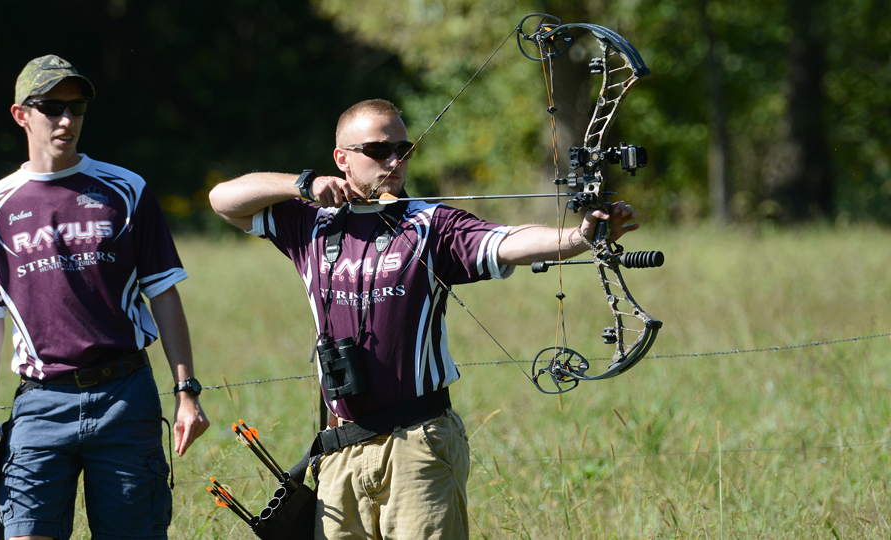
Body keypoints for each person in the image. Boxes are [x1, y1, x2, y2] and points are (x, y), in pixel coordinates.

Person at [208, 98, 638, 539]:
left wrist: (578, 236)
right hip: (339, 451)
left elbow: (509, 241)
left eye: (404, 150)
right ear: (342, 159)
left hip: (418, 443)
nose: (394, 160)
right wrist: (303, 183)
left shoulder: (432, 225)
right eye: (377, 150)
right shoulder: (311, 225)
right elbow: (222, 200)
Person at [0, 54, 210, 540]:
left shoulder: (126, 190)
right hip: (39, 403)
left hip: (124, 397)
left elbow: (164, 295)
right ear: (20, 114)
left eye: (77, 107)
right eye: (51, 107)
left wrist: (186, 391)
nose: (67, 119)